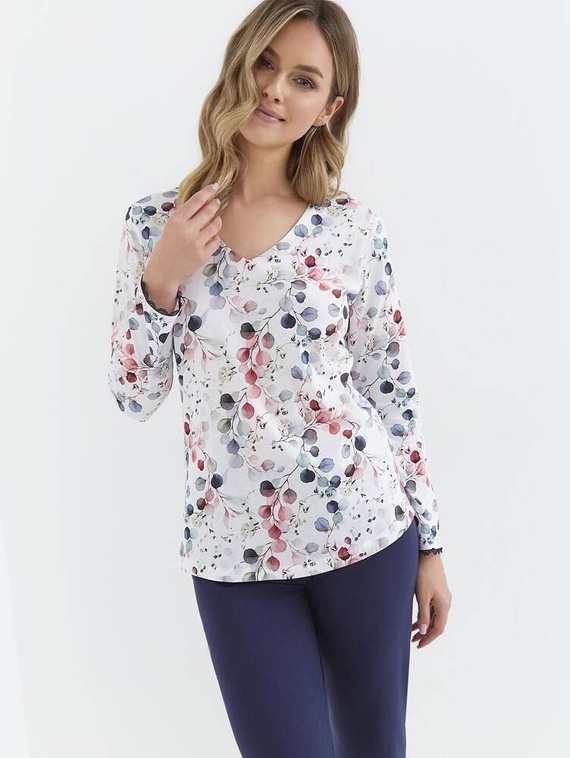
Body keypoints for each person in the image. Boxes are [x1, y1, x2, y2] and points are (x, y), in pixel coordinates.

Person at [107, 1, 452, 756]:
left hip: (365, 535)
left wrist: (430, 545)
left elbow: (390, 387)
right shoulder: (158, 224)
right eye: (266, 63)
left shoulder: (351, 228)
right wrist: (161, 280)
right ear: (240, 60)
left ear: (328, 109)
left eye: (303, 79)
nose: (274, 88)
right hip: (233, 558)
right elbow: (133, 394)